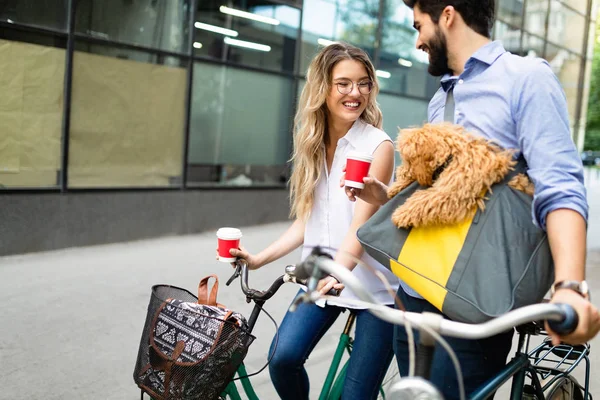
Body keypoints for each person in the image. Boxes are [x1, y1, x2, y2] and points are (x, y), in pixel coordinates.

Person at [343, 0, 600, 398]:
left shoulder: (525, 77)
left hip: (474, 303)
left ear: (447, 16)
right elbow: (443, 195)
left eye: (418, 26)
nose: (418, 42)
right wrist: (388, 195)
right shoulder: (440, 98)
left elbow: (561, 185)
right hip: (413, 294)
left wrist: (570, 287)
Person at [225, 42, 400, 400]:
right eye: (344, 84)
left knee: (355, 396)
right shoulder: (314, 144)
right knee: (282, 358)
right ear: (323, 88)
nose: (356, 93)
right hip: (324, 277)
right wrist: (258, 259)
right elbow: (309, 220)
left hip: (374, 290)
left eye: (364, 83)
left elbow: (360, 228)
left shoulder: (378, 146)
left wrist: (338, 273)